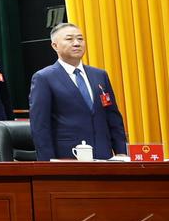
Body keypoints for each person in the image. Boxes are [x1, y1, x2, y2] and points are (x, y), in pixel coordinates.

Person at [29, 23, 128, 160]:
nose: (76, 43)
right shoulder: (44, 78)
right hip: (68, 157)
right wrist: (48, 163)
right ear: (55, 46)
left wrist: (121, 152)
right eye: (69, 39)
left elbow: (113, 117)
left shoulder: (100, 75)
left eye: (80, 39)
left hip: (103, 155)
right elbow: (40, 126)